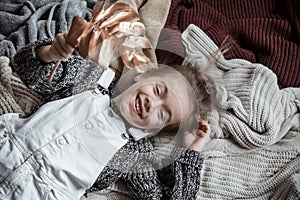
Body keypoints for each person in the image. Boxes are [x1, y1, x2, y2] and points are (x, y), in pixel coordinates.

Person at [0, 32, 212, 199]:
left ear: (154, 130)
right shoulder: (90, 77)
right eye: (157, 90)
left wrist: (191, 153)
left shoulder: (135, 155)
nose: (152, 103)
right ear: (143, 75)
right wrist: (50, 54)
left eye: (163, 113)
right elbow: (27, 71)